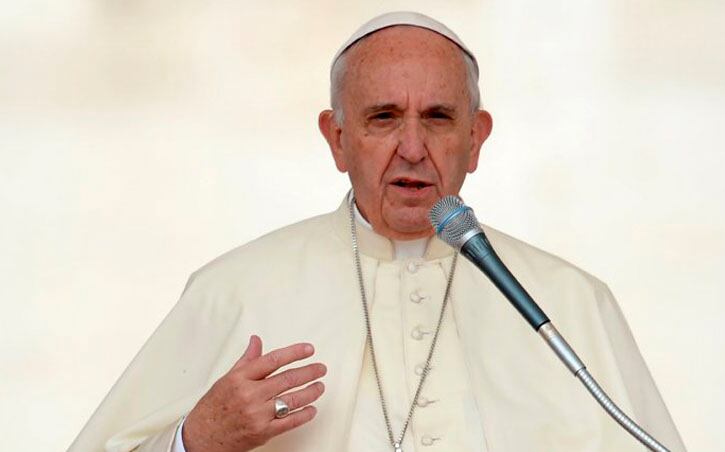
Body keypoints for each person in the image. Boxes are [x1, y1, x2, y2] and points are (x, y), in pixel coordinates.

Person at [69, 11, 686, 452]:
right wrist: (193, 441)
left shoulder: (571, 304)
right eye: (383, 118)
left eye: (439, 118)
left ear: (477, 139)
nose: (412, 148)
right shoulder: (234, 289)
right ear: (337, 139)